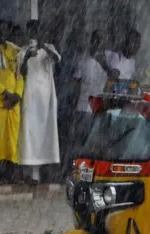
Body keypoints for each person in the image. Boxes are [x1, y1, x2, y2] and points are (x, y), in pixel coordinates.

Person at [18, 20, 61, 184]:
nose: (35, 33)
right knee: (29, 132)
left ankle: (40, 173)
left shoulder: (49, 47)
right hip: (30, 97)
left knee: (45, 133)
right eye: (33, 30)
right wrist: (27, 57)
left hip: (46, 99)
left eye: (38, 29)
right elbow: (21, 73)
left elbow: (57, 59)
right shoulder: (23, 50)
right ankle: (29, 174)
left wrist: (44, 47)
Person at [71, 30, 113, 170]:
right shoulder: (82, 60)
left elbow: (114, 78)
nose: (98, 43)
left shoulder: (109, 59)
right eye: (96, 40)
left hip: (100, 108)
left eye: (101, 40)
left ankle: (96, 170)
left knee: (99, 144)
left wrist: (105, 65)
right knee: (82, 142)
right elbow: (76, 84)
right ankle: (80, 170)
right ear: (92, 41)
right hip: (83, 107)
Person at [0, 19, 24, 166]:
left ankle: (11, 173)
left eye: (5, 30)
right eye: (0, 30)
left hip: (13, 103)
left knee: (13, 140)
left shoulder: (14, 50)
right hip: (0, 102)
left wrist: (17, 95)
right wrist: (5, 93)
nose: (3, 33)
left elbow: (20, 74)